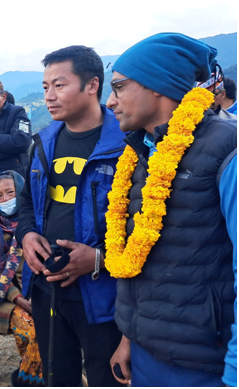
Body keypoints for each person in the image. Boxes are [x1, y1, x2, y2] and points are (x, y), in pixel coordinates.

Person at [105, 33, 236, 387]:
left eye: (118, 87)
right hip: (149, 354)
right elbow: (144, 259)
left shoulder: (228, 151)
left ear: (158, 87)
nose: (110, 101)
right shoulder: (140, 154)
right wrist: (129, 338)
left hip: (208, 365)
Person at [16, 46, 127, 387]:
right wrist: (28, 234)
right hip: (48, 288)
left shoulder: (126, 144)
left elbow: (146, 227)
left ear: (92, 85)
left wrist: (97, 259)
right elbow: (26, 202)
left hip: (103, 294)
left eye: (59, 85)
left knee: (104, 377)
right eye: (46, 86)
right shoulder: (43, 143)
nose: (49, 96)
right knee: (57, 376)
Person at [0, 170, 44, 386]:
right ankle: (35, 379)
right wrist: (20, 300)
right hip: (7, 297)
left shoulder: (38, 221)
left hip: (42, 291)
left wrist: (36, 295)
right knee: (32, 332)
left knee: (52, 331)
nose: (6, 199)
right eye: (0, 195)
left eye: (11, 192)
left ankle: (26, 378)